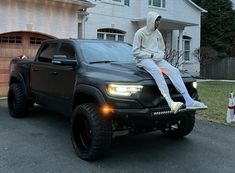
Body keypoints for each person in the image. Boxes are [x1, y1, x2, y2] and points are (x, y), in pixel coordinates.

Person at [132, 11, 207, 114]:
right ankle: (170, 102)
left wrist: (158, 56)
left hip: (157, 59)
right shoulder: (140, 33)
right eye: (156, 20)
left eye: (159, 20)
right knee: (157, 71)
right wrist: (151, 55)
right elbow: (135, 52)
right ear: (150, 21)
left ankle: (189, 101)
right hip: (143, 60)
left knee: (174, 71)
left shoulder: (158, 33)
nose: (158, 22)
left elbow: (162, 49)